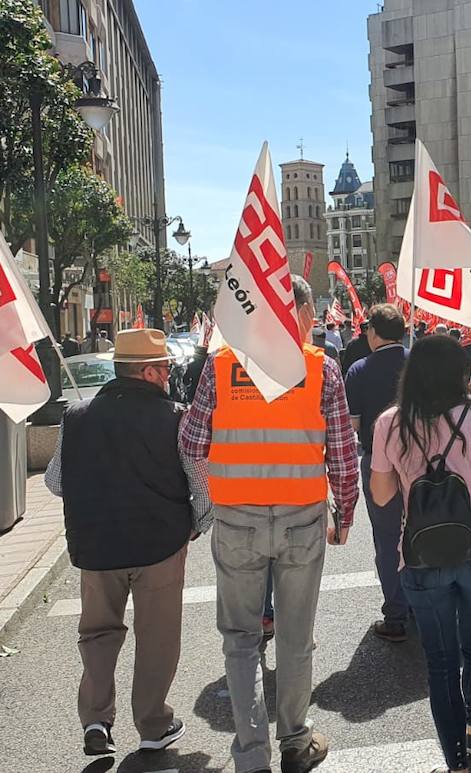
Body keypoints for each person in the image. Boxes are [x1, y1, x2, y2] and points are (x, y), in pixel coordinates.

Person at [179, 275, 358, 773]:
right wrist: (344, 511)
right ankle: (295, 742)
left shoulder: (220, 364)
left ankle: (251, 756)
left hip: (238, 520)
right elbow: (343, 452)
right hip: (302, 517)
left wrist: (212, 499)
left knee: (241, 639)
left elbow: (193, 444)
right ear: (294, 310)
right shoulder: (321, 367)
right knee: (296, 637)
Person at [369, 335, 471, 773]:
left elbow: (382, 496)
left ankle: (455, 761)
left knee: (440, 660)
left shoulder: (390, 423)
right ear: (461, 373)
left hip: (420, 555)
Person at [44, 329, 194, 757]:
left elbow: (55, 482)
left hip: (96, 547)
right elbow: (198, 484)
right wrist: (197, 524)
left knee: (97, 633)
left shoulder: (76, 415)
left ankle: (95, 719)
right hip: (159, 544)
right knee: (158, 637)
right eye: (164, 367)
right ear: (147, 371)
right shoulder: (175, 415)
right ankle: (153, 724)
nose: (168, 374)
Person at [346, 305, 411, 643]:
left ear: (373, 332)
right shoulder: (418, 362)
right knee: (419, 529)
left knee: (387, 538)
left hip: (378, 460)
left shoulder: (358, 369)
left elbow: (354, 423)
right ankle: (423, 603)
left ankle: (396, 613)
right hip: (422, 458)